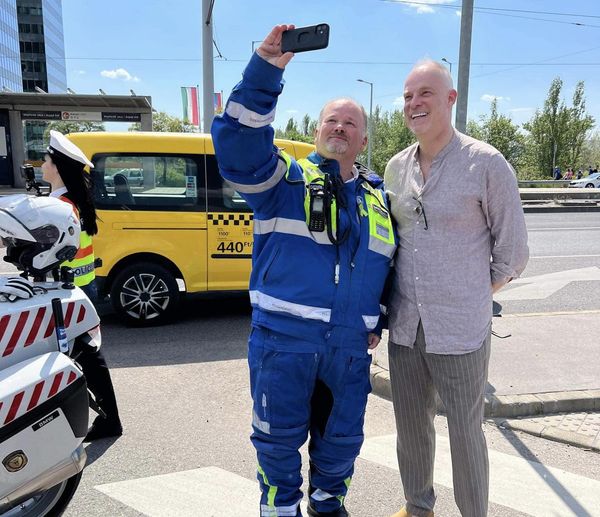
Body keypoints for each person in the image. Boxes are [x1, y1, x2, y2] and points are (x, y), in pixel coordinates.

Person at [211, 24, 397, 517]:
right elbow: (238, 147)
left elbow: (390, 270)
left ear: (363, 139)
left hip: (349, 351)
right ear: (317, 131)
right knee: (277, 444)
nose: (340, 128)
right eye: (332, 120)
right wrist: (264, 71)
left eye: (351, 123)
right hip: (284, 344)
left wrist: (377, 319)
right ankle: (280, 510)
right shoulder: (284, 182)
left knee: (342, 443)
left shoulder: (379, 200)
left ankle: (327, 506)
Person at [384, 60, 529, 517]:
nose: (414, 103)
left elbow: (513, 252)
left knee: (465, 433)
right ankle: (418, 507)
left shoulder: (486, 163)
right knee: (411, 428)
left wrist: (474, 295)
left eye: (425, 93)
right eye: (408, 96)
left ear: (450, 99)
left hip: (461, 330)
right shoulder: (395, 168)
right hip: (406, 326)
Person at [42, 130, 123, 441]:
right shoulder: (72, 201)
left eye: (46, 160)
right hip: (80, 289)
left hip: (64, 293)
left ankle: (106, 420)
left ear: (58, 167)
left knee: (81, 358)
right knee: (85, 356)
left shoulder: (58, 207)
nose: (42, 165)